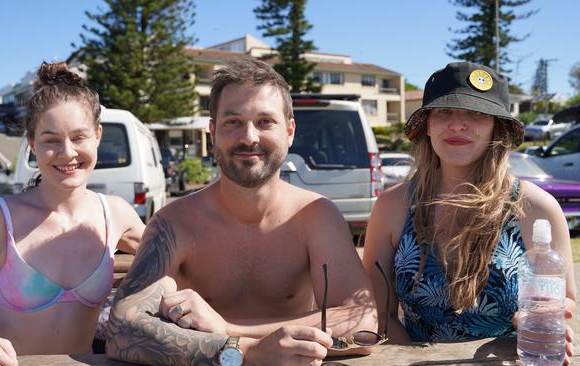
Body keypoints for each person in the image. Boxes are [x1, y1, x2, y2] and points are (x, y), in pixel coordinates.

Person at [106, 58, 377, 365]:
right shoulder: (175, 224)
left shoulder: (317, 216)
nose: (249, 137)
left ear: (289, 131)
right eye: (233, 122)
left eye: (265, 121)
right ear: (212, 132)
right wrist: (243, 353)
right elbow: (122, 331)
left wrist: (229, 331)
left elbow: (363, 322)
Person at [0, 61, 144, 365]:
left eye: (79, 137)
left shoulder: (116, 215)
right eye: (51, 140)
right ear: (32, 144)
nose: (67, 152)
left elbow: (181, 262)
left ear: (98, 136)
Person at [362, 62, 576, 357]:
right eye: (443, 112)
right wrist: (421, 358)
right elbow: (379, 314)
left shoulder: (536, 207)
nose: (457, 124)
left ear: (496, 128)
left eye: (476, 114)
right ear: (427, 126)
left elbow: (564, 299)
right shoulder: (391, 206)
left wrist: (540, 318)